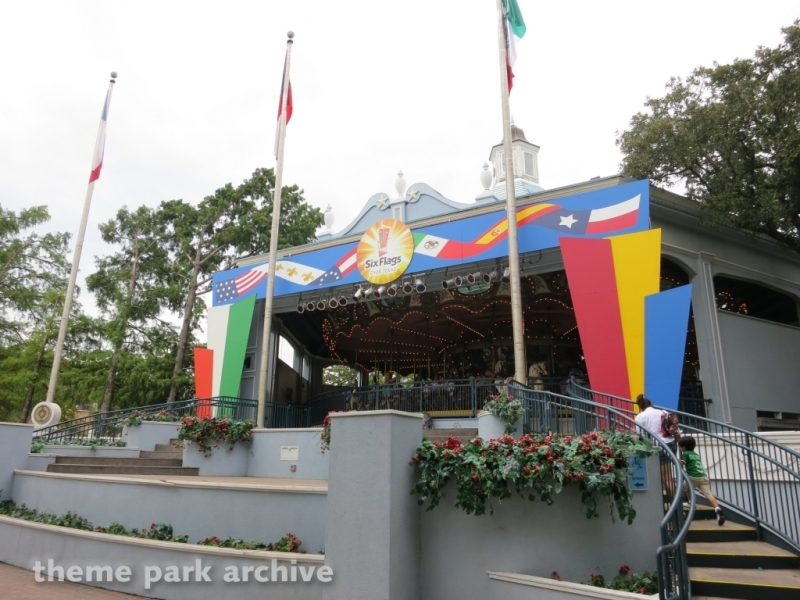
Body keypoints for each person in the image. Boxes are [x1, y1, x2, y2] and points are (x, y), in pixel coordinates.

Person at [634, 394, 680, 499]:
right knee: (666, 476)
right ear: (651, 404)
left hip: (657, 446)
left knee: (666, 478)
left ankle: (677, 506)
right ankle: (672, 504)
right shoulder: (663, 412)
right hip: (671, 443)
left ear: (640, 407)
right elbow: (675, 429)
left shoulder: (640, 417)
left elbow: (638, 435)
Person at [678, 436, 725, 526]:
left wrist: (676, 460)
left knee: (685, 486)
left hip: (693, 477)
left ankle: (690, 502)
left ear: (683, 447)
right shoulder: (696, 455)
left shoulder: (685, 454)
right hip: (703, 477)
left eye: (680, 447)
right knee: (709, 495)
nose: (680, 449)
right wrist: (686, 470)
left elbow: (682, 463)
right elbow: (693, 466)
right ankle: (717, 509)